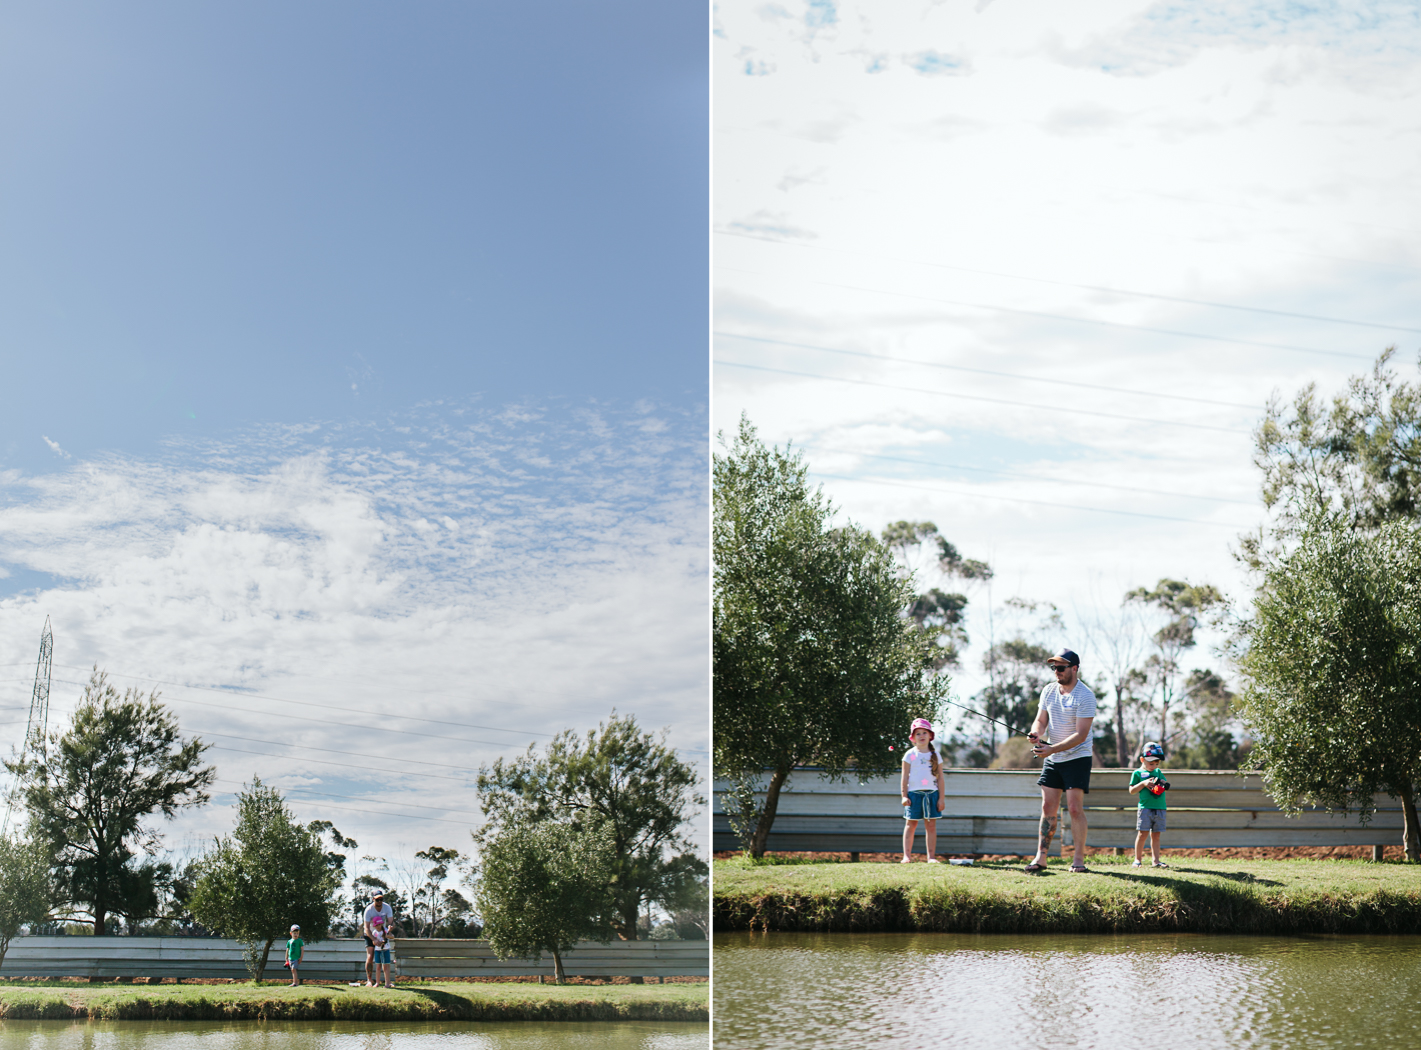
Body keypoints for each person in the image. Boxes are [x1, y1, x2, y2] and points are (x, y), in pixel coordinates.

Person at [1023, 648, 1097, 875]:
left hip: (1078, 757)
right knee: (1048, 808)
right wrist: (1036, 733)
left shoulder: (1085, 696)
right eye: (1054, 667)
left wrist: (1052, 748)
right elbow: (1040, 720)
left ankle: (1078, 860)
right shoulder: (1049, 691)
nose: (1057, 671)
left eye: (1061, 667)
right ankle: (1041, 858)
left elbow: (1081, 735)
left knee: (1074, 809)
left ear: (1074, 668)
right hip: (1053, 757)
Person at [900, 717, 946, 863]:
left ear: (930, 736)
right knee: (911, 824)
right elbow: (904, 777)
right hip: (913, 795)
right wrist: (904, 796)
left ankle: (931, 857)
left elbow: (940, 779)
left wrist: (941, 798)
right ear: (913, 737)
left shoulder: (935, 755)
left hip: (932, 795)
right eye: (918, 733)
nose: (921, 736)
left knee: (931, 826)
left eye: (924, 732)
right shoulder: (909, 754)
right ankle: (907, 857)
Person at [1129, 741, 1171, 868]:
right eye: (1151, 763)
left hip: (1160, 807)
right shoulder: (1137, 773)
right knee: (1142, 834)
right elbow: (1131, 790)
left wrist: (1162, 783)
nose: (1154, 766)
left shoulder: (1157, 772)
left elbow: (1165, 784)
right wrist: (1144, 783)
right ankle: (1137, 860)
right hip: (1145, 808)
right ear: (1142, 759)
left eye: (1157, 763)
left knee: (1156, 835)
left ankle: (1156, 861)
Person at [362, 892, 396, 987]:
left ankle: (387, 982)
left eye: (381, 899)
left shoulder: (387, 907)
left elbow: (391, 922)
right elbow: (366, 928)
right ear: (373, 899)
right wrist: (373, 939)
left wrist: (390, 928)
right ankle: (369, 980)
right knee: (370, 956)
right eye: (377, 899)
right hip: (370, 934)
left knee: (385, 960)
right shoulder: (369, 910)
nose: (379, 901)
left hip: (382, 934)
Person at [370, 914, 394, 988]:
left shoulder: (385, 930)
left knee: (386, 966)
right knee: (378, 967)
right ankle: (377, 982)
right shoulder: (374, 932)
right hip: (378, 950)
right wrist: (377, 943)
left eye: (379, 925)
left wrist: (388, 934)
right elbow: (373, 942)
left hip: (385, 950)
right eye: (376, 925)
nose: (378, 926)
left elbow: (392, 937)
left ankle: (387, 983)